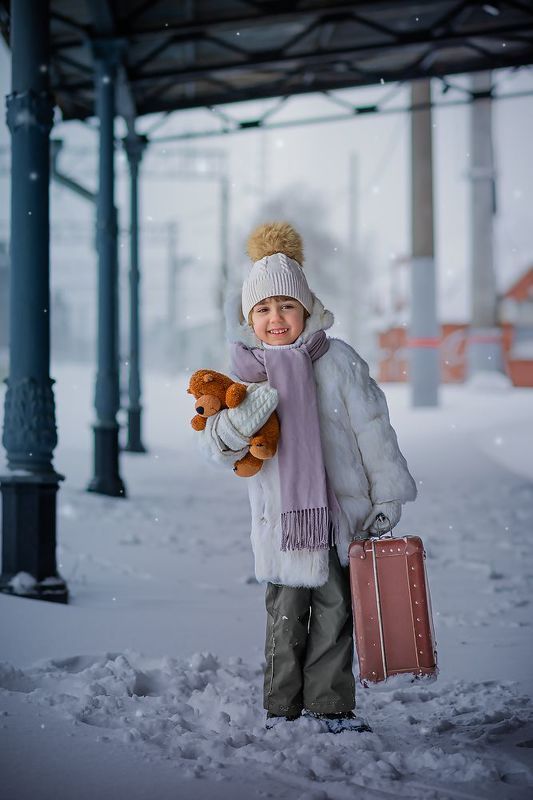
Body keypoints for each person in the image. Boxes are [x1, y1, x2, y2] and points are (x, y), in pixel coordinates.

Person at [197, 222, 417, 733]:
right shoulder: (245, 377)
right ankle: (282, 707)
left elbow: (373, 430)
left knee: (338, 612)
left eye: (287, 306)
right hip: (281, 520)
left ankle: (331, 704)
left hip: (340, 514)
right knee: (285, 618)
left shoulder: (337, 361)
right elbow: (217, 444)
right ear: (250, 319)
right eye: (264, 310)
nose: (277, 319)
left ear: (307, 309)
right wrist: (242, 418)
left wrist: (386, 493)